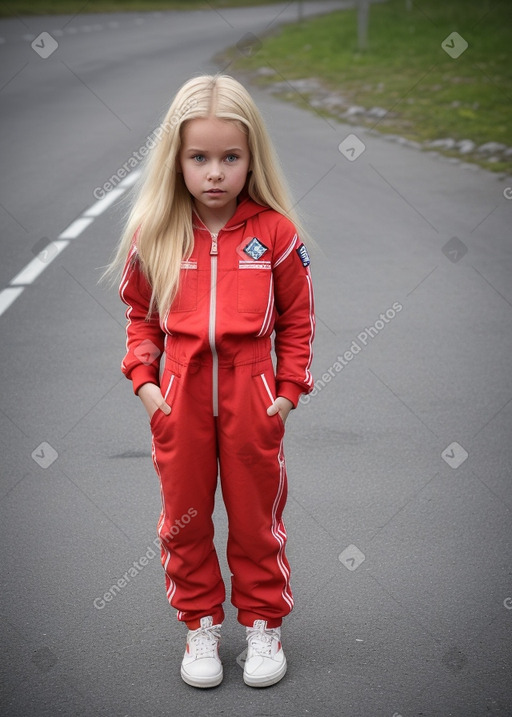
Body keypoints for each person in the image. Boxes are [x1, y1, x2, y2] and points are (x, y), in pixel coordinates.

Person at [110, 74, 315, 689]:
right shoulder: (156, 232)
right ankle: (200, 623)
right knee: (186, 517)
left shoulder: (275, 234)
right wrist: (148, 385)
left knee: (255, 519)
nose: (215, 172)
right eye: (199, 158)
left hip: (254, 398)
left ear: (252, 159)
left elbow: (299, 320)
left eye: (230, 157)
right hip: (180, 394)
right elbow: (139, 317)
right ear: (177, 159)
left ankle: (262, 624)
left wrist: (286, 393)